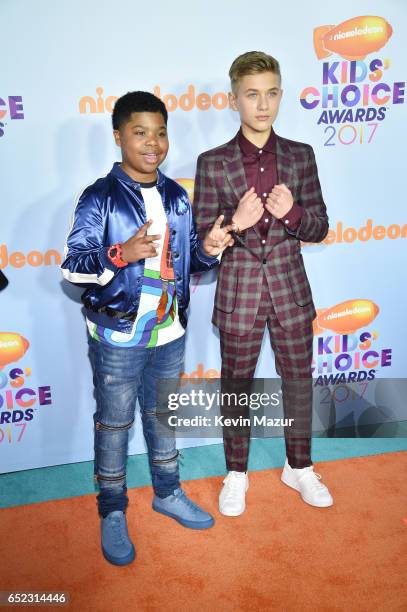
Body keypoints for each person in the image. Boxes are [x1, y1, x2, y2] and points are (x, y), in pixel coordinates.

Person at [61, 91, 233, 566]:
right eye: (140, 132)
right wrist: (122, 254)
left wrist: (212, 247)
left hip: (169, 333)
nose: (153, 142)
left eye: (160, 131)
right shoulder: (99, 196)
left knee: (162, 419)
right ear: (118, 137)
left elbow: (190, 263)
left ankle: (167, 492)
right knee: (115, 425)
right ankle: (112, 509)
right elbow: (74, 268)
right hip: (117, 335)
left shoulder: (178, 196)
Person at [193, 51, 333, 517]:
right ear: (234, 99)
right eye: (252, 94)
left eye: (271, 93)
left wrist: (291, 212)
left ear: (280, 95)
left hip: (291, 292)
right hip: (239, 296)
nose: (263, 104)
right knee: (238, 388)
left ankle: (300, 466)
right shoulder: (212, 163)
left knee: (298, 384)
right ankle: (237, 474)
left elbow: (319, 227)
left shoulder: (301, 155)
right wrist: (233, 223)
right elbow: (202, 241)